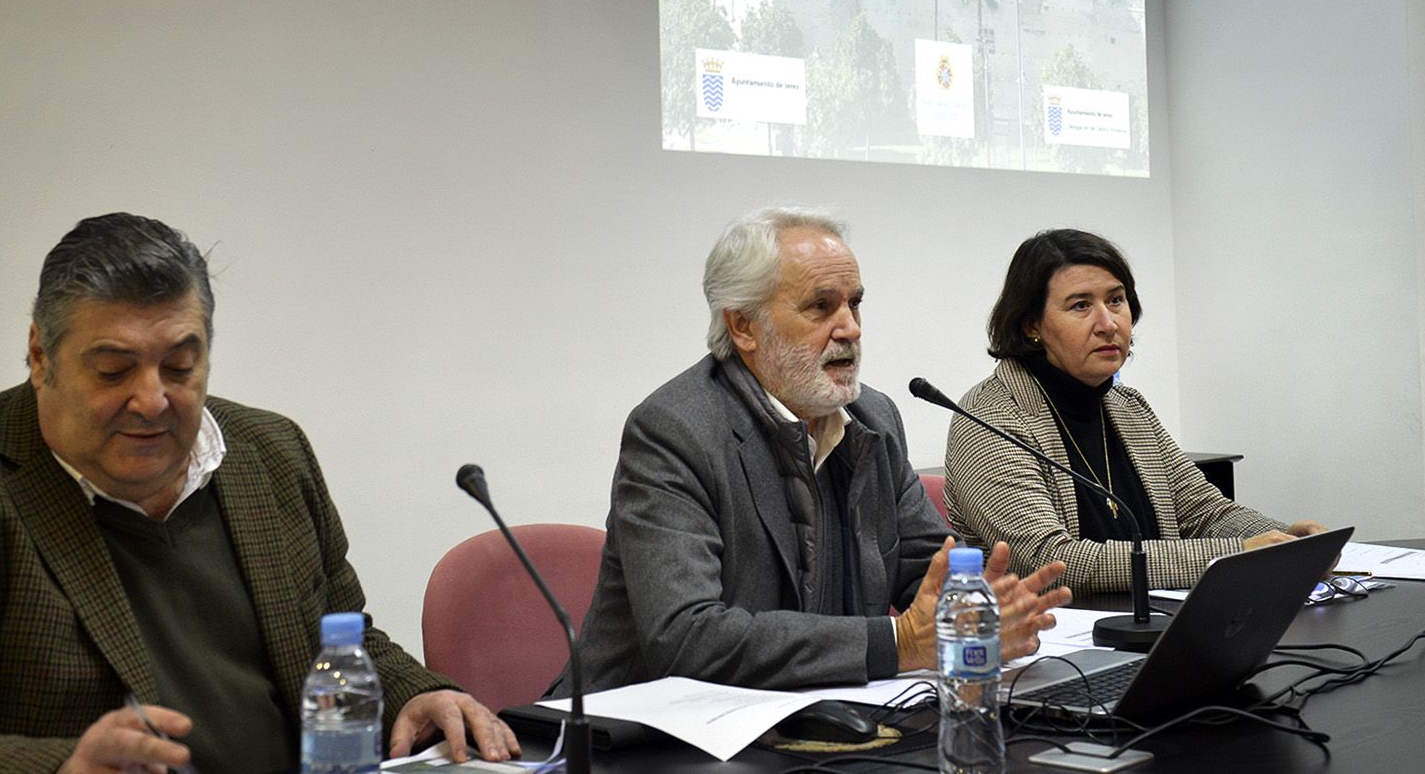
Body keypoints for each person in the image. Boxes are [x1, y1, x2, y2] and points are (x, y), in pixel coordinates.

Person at [0, 213, 518, 773]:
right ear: (41, 356)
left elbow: (345, 638)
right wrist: (63, 768)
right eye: (113, 370)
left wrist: (419, 693)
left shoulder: (271, 454)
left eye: (179, 367)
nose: (151, 400)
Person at [562, 207, 1071, 693]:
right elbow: (686, 636)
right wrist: (896, 643)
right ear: (743, 327)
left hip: (820, 713)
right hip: (644, 735)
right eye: (820, 306)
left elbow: (924, 566)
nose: (850, 327)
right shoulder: (676, 431)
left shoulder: (873, 418)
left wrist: (981, 606)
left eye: (855, 303)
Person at [944, 229, 1328, 594]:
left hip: (1160, 623)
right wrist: (1233, 556)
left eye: (1116, 300)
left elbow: (1203, 514)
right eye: (1081, 306)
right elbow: (1047, 560)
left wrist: (1290, 541)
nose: (1109, 324)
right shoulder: (990, 419)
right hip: (1057, 643)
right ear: (1032, 325)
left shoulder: (1128, 408)